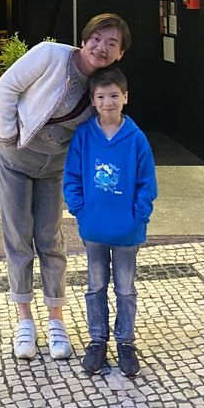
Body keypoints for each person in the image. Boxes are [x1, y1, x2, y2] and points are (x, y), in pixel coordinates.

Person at [0, 13, 131, 361]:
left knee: (51, 239)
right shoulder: (50, 55)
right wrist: (8, 135)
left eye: (111, 44)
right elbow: (7, 86)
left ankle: (56, 320)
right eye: (96, 38)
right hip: (14, 159)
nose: (101, 47)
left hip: (54, 168)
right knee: (18, 237)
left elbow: (105, 133)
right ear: (84, 39)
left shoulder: (103, 85)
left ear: (120, 54)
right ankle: (24, 320)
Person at [63, 67, 157, 378]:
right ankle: (97, 340)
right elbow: (72, 178)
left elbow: (147, 182)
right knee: (95, 286)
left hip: (127, 230)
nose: (108, 102)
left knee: (126, 289)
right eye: (101, 96)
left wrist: (138, 216)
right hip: (94, 228)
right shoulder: (84, 137)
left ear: (126, 97)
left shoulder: (136, 139)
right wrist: (82, 211)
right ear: (92, 100)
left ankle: (126, 342)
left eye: (114, 95)